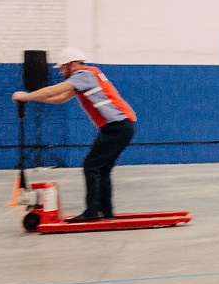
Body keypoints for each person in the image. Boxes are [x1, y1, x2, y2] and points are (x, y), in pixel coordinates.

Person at [12, 47, 136, 222]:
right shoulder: (86, 77)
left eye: (63, 68)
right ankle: (106, 212)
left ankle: (92, 212)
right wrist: (31, 98)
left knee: (91, 166)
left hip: (117, 127)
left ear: (73, 64)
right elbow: (60, 98)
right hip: (120, 127)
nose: (62, 72)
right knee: (102, 169)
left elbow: (54, 90)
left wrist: (25, 96)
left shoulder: (83, 75)